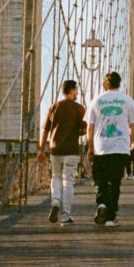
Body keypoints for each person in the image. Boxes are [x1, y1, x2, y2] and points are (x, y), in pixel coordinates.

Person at [86, 70, 134, 227]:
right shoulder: (127, 100)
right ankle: (110, 217)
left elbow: (89, 128)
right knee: (114, 182)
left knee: (101, 181)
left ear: (105, 84)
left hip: (100, 147)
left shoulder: (96, 101)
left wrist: (90, 148)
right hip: (120, 148)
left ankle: (101, 204)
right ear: (119, 83)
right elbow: (133, 126)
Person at [37, 79, 86, 227]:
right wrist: (78, 132)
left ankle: (55, 202)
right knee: (68, 182)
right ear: (71, 91)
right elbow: (84, 129)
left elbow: (45, 130)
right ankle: (65, 216)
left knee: (56, 177)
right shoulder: (79, 108)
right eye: (76, 90)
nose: (77, 93)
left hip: (55, 149)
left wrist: (41, 150)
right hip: (71, 150)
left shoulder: (53, 107)